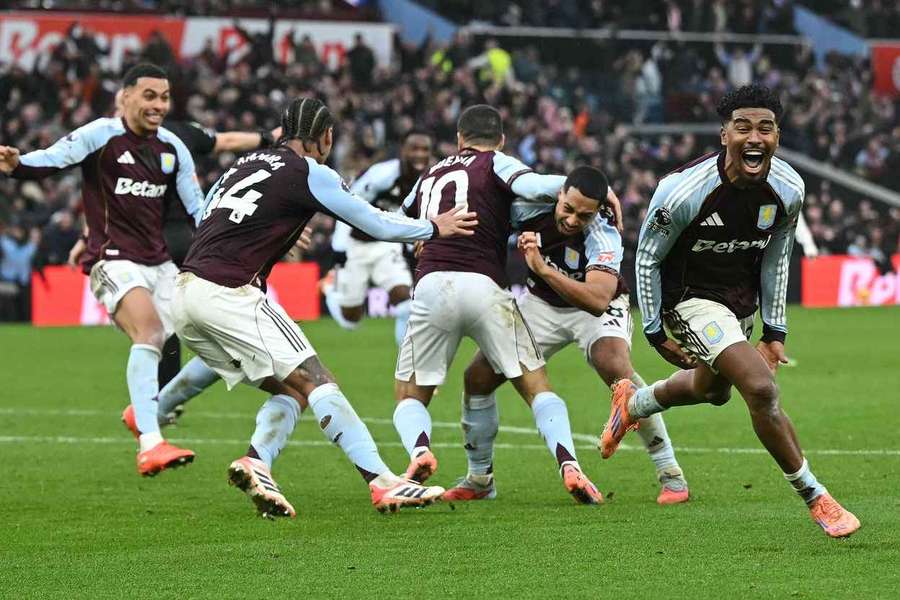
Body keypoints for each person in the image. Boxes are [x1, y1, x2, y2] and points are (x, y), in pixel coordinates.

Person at [171, 96, 477, 517]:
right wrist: (433, 227)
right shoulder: (309, 171)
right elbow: (373, 222)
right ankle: (382, 481)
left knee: (292, 392)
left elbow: (209, 216)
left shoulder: (242, 164)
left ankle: (256, 461)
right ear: (327, 137)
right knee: (318, 380)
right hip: (230, 290)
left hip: (184, 292)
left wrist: (273, 229)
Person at [601, 84, 860, 538]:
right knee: (759, 389)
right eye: (743, 127)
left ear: (778, 136)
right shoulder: (683, 191)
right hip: (688, 298)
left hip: (739, 303)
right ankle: (816, 497)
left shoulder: (789, 188)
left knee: (712, 390)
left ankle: (633, 403)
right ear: (724, 135)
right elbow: (646, 256)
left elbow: (778, 256)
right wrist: (655, 327)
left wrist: (775, 330)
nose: (754, 137)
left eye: (766, 128)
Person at [392, 105, 622, 504]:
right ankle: (568, 462)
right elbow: (532, 186)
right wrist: (598, 190)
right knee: (536, 387)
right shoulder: (496, 162)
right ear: (500, 141)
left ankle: (420, 451)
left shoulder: (431, 173)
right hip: (485, 286)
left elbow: (399, 218)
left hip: (431, 284)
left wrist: (423, 233)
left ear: (458, 139)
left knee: (411, 395)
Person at [0, 63, 205, 476]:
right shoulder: (101, 135)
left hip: (161, 264)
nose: (159, 105)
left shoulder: (172, 149)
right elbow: (56, 158)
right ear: (124, 97)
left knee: (216, 343)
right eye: (149, 95)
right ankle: (150, 444)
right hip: (113, 260)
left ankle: (147, 410)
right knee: (149, 332)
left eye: (164, 97)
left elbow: (198, 210)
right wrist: (17, 164)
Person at [448, 166, 689, 504]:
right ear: (558, 196)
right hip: (539, 306)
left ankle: (670, 473)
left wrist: (543, 269)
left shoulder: (605, 233)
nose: (574, 220)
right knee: (477, 377)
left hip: (594, 309)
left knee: (616, 368)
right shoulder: (526, 207)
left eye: (585, 215)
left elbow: (597, 300)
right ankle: (479, 478)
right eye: (569, 209)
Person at [324, 129, 433, 345]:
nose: (420, 154)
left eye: (425, 149)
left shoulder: (428, 180)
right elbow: (346, 204)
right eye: (414, 149)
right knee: (350, 321)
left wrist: (415, 245)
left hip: (386, 246)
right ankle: (329, 289)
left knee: (405, 301)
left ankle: (408, 361)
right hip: (356, 245)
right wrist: (339, 247)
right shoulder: (382, 175)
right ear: (403, 151)